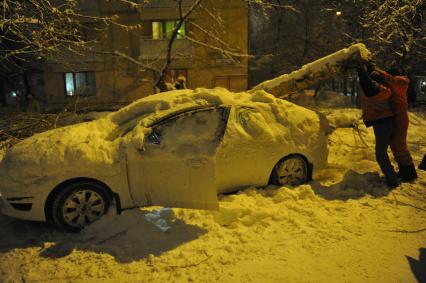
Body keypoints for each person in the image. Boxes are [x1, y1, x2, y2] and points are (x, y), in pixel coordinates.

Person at [370, 67, 417, 182]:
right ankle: (404, 170)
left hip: (400, 117)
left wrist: (377, 71)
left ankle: (410, 172)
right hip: (396, 117)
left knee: (399, 145)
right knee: (395, 145)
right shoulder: (397, 83)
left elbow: (389, 80)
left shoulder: (399, 82)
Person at [357, 62, 399, 187]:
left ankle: (392, 180)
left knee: (380, 155)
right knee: (383, 152)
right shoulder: (382, 87)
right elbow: (368, 77)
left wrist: (359, 66)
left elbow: (365, 80)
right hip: (385, 121)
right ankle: (393, 175)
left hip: (383, 123)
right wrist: (369, 65)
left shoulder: (374, 90)